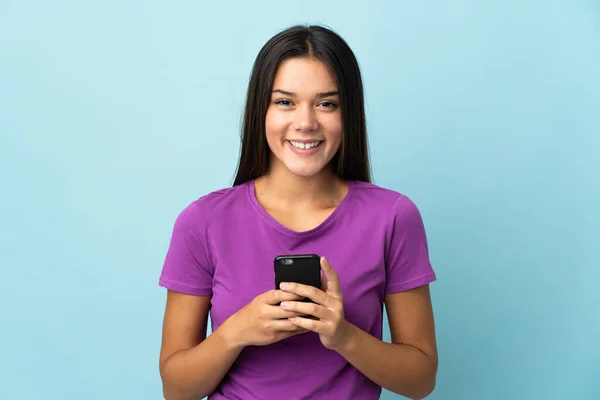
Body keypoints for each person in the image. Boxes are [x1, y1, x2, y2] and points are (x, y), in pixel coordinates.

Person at [158, 24, 438, 400]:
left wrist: (343, 336)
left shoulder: (392, 217)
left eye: (326, 103)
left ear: (347, 114)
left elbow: (420, 380)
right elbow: (176, 390)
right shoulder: (202, 222)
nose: (305, 122)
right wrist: (237, 331)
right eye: (285, 101)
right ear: (261, 110)